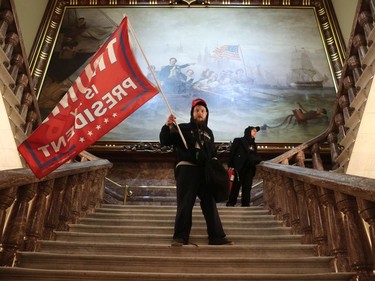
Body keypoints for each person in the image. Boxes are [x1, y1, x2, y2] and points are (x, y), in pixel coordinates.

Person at [159, 98, 233, 246]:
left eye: (202, 111)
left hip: (205, 171)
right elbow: (165, 140)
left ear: (206, 114)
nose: (200, 113)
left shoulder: (209, 133)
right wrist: (167, 126)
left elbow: (213, 153)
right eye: (197, 110)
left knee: (209, 203)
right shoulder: (182, 128)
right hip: (187, 169)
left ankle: (216, 236)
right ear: (192, 113)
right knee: (185, 203)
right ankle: (180, 237)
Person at [226, 126, 261, 207]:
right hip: (238, 169)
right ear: (248, 132)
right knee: (235, 187)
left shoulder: (253, 144)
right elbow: (232, 153)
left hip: (249, 169)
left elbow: (254, 156)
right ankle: (231, 203)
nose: (255, 133)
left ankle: (245, 205)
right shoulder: (238, 140)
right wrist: (230, 166)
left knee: (247, 188)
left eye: (256, 131)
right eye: (253, 131)